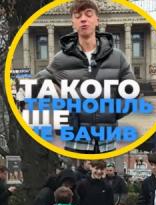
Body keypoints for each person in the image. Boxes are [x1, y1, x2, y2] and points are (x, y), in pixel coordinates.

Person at [33, 0, 136, 154]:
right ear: (73, 22)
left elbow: (132, 94)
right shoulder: (60, 59)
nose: (83, 19)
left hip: (106, 140)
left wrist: (112, 114)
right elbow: (37, 85)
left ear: (97, 20)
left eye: (88, 14)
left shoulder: (118, 57)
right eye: (78, 15)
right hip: (76, 140)